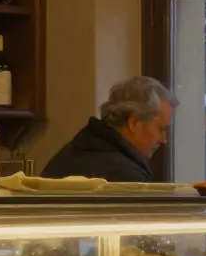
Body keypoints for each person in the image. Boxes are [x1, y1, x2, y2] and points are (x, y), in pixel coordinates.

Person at [42, 76, 177, 182]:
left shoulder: (69, 153)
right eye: (161, 129)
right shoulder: (127, 178)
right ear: (134, 122)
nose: (164, 140)